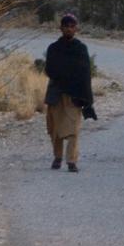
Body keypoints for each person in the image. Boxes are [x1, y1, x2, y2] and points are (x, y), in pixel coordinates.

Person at [44, 13, 94, 173]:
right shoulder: (53, 48)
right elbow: (50, 70)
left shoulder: (80, 49)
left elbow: (85, 73)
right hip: (57, 93)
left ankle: (71, 160)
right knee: (55, 128)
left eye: (72, 26)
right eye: (66, 26)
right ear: (61, 28)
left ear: (76, 29)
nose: (69, 29)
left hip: (74, 94)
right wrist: (66, 76)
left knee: (73, 129)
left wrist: (87, 98)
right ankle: (57, 157)